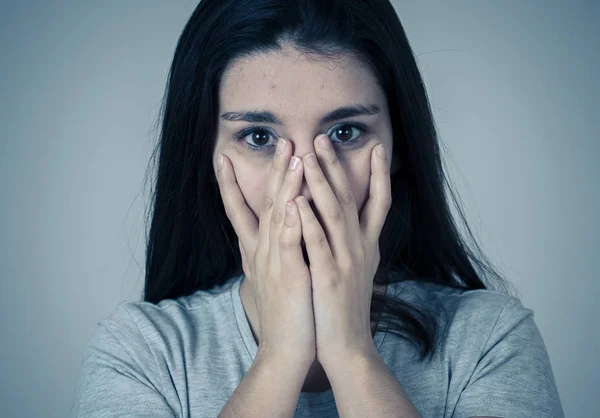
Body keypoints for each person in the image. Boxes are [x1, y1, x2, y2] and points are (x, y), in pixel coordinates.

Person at [71, 0, 564, 417]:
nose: (304, 182)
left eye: (344, 133)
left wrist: (351, 354)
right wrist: (280, 358)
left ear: (398, 148)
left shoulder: (491, 340)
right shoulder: (140, 352)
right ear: (209, 159)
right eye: (259, 137)